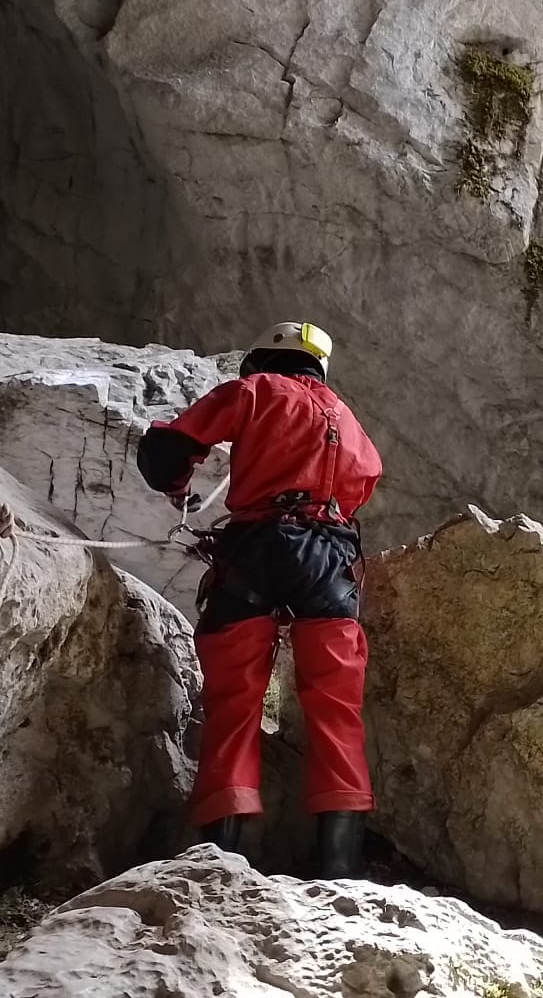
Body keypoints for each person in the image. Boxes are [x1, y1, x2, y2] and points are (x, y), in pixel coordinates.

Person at [136, 321, 383, 879]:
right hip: (329, 559)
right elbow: (364, 482)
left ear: (262, 360)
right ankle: (340, 868)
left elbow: (167, 450)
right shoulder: (346, 418)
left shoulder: (254, 391)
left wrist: (179, 486)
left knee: (234, 700)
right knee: (335, 708)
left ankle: (223, 860)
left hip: (256, 549)